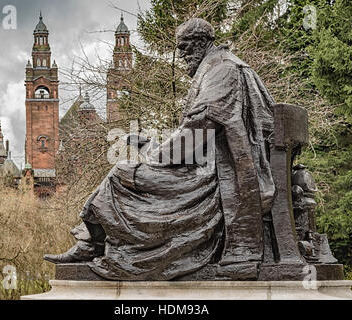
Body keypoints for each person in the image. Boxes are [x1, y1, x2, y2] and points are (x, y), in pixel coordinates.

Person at [44, 18, 275, 280]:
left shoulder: (222, 70)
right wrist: (151, 145)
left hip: (216, 177)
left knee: (121, 176)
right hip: (210, 166)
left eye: (184, 47)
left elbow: (197, 131)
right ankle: (91, 242)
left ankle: (96, 245)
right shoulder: (221, 66)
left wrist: (154, 152)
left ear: (201, 44)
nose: (182, 54)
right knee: (123, 172)